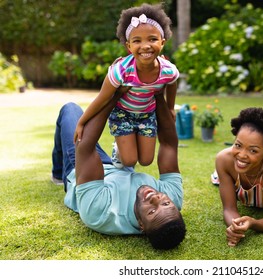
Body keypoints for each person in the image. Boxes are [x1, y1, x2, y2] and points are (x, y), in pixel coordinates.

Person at [51, 89, 186, 250]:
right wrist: (156, 90)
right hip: (123, 172)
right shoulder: (174, 197)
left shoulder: (101, 213)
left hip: (88, 174)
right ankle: (121, 158)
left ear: (141, 226)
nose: (154, 198)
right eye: (165, 203)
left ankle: (59, 173)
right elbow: (169, 144)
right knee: (130, 158)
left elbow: (85, 146)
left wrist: (114, 96)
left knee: (71, 109)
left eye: (151, 211)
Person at [74, 3, 179, 168]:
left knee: (145, 160)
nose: (145, 46)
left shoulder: (168, 69)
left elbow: (172, 83)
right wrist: (81, 122)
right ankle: (119, 149)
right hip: (122, 114)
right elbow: (102, 98)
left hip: (147, 114)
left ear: (162, 42)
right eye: (137, 41)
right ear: (129, 46)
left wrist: (170, 107)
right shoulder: (121, 71)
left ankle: (129, 145)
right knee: (129, 161)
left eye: (152, 39)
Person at [212, 107, 263, 247]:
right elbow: (229, 209)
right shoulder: (224, 159)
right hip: (227, 173)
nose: (242, 154)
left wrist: (253, 223)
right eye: (238, 145)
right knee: (217, 178)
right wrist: (236, 227)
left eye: (253, 150)